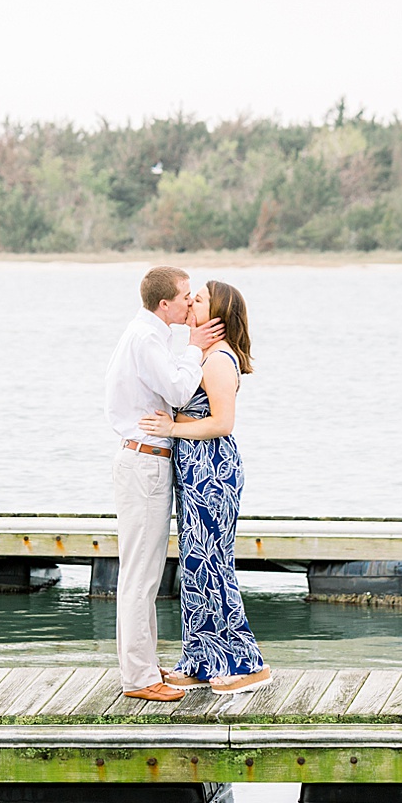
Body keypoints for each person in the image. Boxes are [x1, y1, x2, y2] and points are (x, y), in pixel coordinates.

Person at [139, 280, 269, 696]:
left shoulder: (219, 360)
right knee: (195, 566)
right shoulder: (202, 355)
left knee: (213, 565)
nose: (190, 303)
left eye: (198, 300)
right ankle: (199, 661)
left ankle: (247, 664)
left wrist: (171, 429)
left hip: (213, 470)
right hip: (193, 470)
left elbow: (223, 423)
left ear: (218, 313)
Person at [104, 266, 223, 702]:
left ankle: (144, 665)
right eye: (185, 296)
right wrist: (195, 347)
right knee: (141, 574)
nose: (190, 302)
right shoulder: (147, 339)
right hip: (145, 463)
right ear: (164, 304)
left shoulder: (148, 335)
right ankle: (138, 678)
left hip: (144, 461)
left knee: (144, 572)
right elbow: (177, 391)